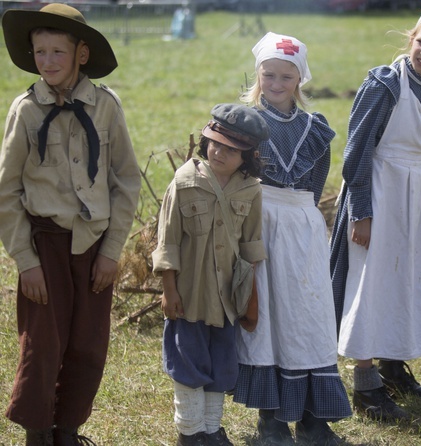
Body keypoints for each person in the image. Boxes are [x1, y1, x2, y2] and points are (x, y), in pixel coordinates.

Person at [0, 3, 141, 444]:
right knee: (42, 345)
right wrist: (27, 262)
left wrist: (112, 251)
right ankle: (38, 433)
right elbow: (6, 192)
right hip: (45, 246)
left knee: (88, 344)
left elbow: (126, 181)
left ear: (81, 54)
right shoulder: (25, 111)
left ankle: (67, 430)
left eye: (57, 52)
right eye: (40, 52)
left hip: (95, 246)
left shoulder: (106, 106)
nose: (47, 61)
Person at [330, 10, 421, 421]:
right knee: (370, 282)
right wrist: (362, 211)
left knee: (402, 279)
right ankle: (366, 384)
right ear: (411, 39)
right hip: (379, 188)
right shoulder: (384, 85)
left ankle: (391, 366)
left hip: (413, 196)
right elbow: (357, 152)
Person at [234, 32, 351, 446]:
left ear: (299, 79)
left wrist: (298, 215)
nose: (277, 83)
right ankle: (271, 421)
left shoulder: (314, 128)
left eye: (286, 75)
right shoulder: (243, 123)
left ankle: (313, 418)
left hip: (301, 226)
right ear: (258, 74)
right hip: (259, 222)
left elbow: (316, 186)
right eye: (269, 74)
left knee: (308, 316)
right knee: (267, 317)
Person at [152, 103, 269, 446]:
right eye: (215, 142)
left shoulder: (250, 190)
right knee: (188, 362)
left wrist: (250, 298)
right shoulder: (184, 182)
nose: (219, 152)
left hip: (227, 298)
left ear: (246, 156)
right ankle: (190, 433)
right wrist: (169, 290)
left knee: (222, 365)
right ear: (205, 140)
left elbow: (251, 246)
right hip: (189, 294)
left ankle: (211, 430)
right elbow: (168, 241)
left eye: (231, 150)